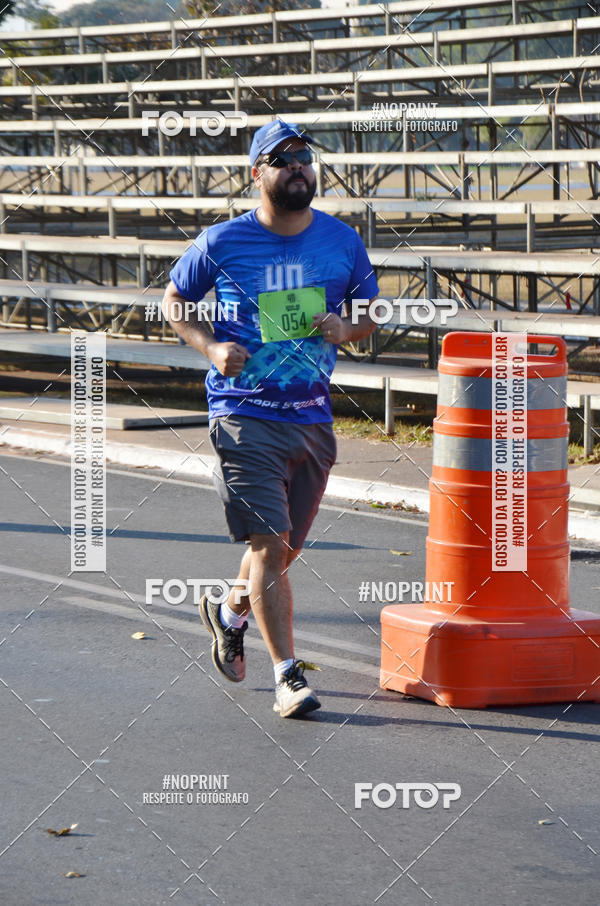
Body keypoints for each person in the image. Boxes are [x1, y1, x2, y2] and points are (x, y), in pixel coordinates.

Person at [162, 118, 379, 718]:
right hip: (243, 414)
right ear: (257, 173)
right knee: (269, 539)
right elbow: (175, 300)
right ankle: (289, 675)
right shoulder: (222, 242)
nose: (298, 167)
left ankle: (229, 612)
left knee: (280, 552)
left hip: (310, 415)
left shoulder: (341, 241)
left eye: (304, 157)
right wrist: (209, 348)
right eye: (282, 160)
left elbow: (373, 309)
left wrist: (348, 327)